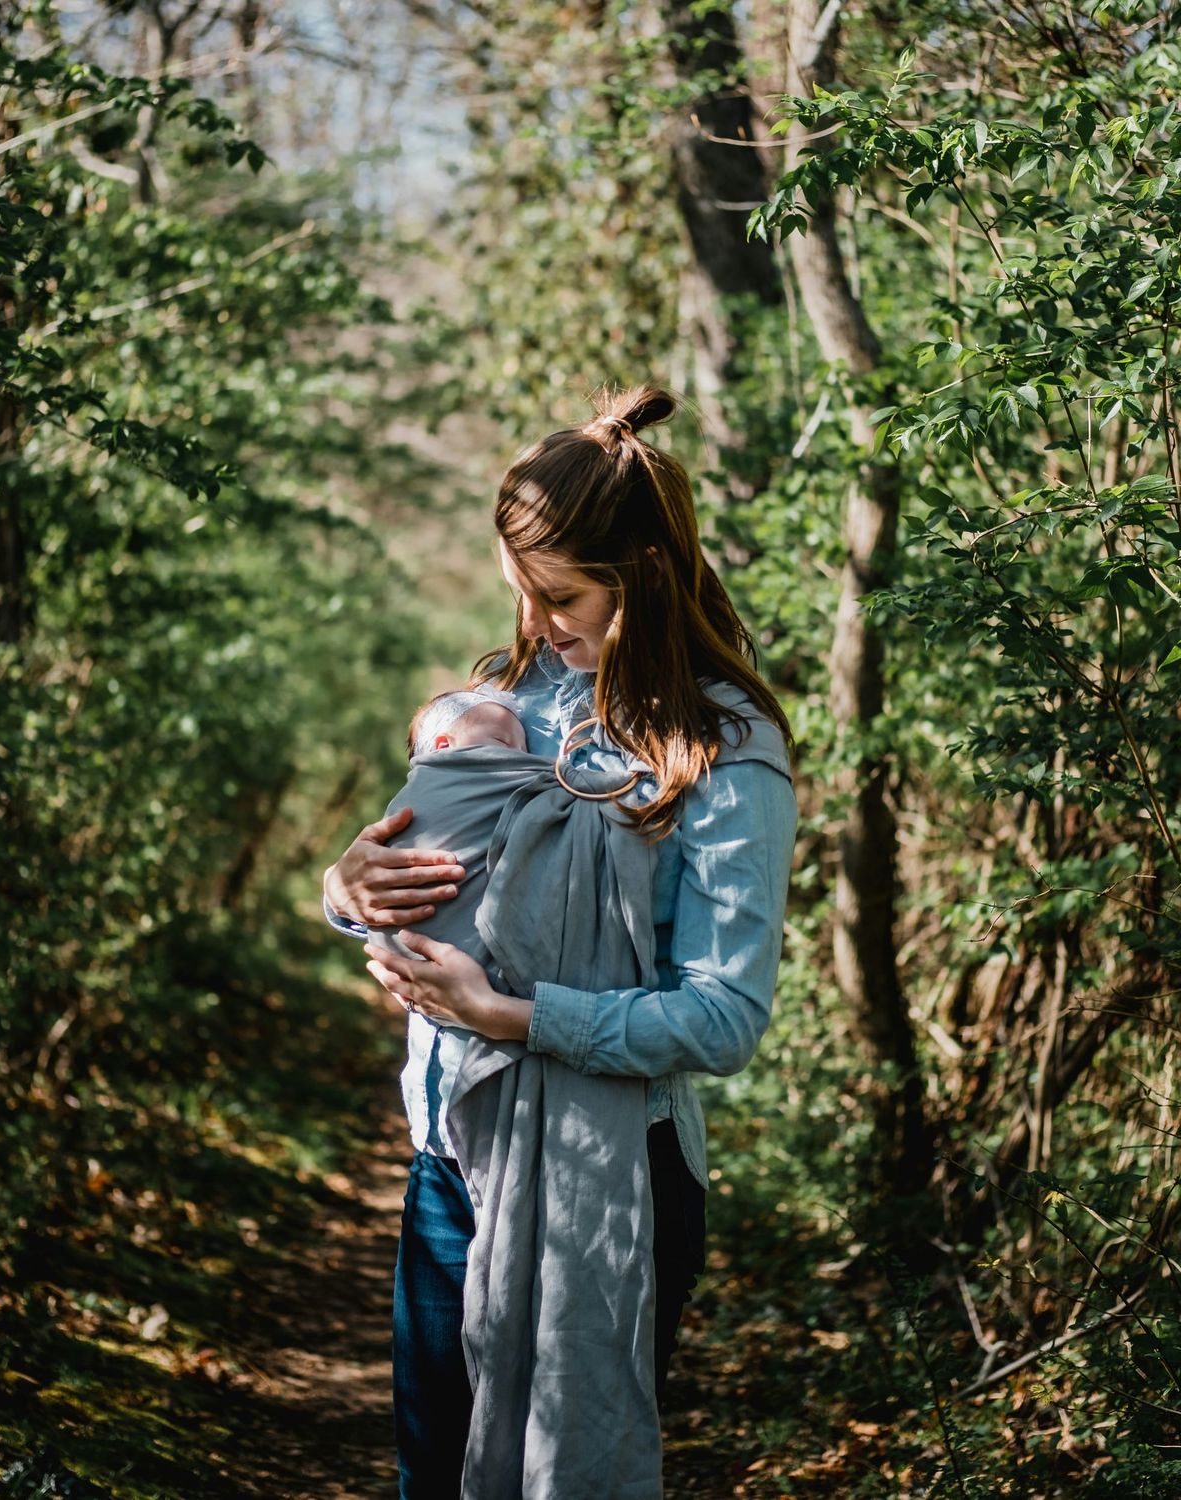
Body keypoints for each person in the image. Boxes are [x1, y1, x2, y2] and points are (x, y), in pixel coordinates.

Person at [322, 384, 798, 1500]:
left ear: (643, 578)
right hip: (451, 1156)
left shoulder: (724, 748)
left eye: (562, 596)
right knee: (431, 1475)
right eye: (520, 593)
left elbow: (723, 1015)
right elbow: (404, 873)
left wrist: (511, 1015)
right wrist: (343, 886)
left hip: (614, 1177)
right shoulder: (499, 702)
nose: (535, 625)